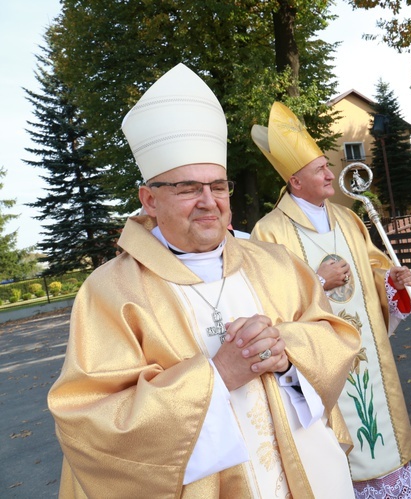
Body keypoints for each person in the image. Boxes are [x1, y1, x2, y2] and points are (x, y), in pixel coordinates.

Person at [47, 63, 360, 498]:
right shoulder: (111, 293)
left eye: (219, 186)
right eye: (188, 188)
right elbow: (91, 422)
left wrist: (287, 354)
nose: (209, 203)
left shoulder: (275, 263)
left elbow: (336, 337)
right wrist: (217, 376)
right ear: (149, 199)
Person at [250, 102, 411, 498]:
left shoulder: (347, 218)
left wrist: (390, 281)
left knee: (382, 430)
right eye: (320, 170)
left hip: (369, 355)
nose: (330, 173)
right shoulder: (270, 232)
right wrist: (317, 283)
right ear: (295, 182)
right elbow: (266, 300)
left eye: (327, 167)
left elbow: (372, 267)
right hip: (320, 364)